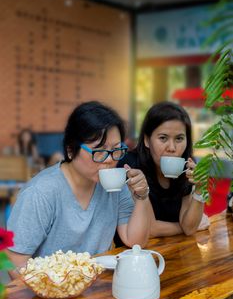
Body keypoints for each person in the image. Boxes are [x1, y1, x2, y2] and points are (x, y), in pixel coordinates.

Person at [7, 101, 151, 273]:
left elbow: (136, 241)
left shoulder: (116, 185)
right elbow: (15, 262)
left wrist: (142, 196)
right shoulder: (42, 192)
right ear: (70, 150)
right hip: (52, 292)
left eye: (116, 150)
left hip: (98, 288)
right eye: (99, 150)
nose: (109, 159)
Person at [115, 101, 209, 245]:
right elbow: (150, 229)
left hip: (173, 251)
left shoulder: (185, 165)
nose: (172, 148)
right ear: (147, 140)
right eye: (163, 138)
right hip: (132, 255)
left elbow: (189, 229)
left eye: (179, 138)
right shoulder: (131, 166)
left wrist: (200, 189)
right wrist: (186, 227)